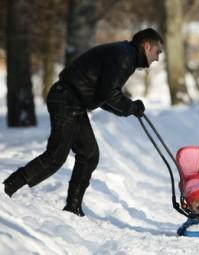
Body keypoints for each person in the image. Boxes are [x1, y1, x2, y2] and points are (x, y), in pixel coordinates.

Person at [3, 28, 164, 217]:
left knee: (89, 155)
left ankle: (73, 208)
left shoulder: (124, 54)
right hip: (66, 99)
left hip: (73, 102)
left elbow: (103, 95)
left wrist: (128, 110)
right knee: (56, 156)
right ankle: (7, 187)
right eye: (157, 52)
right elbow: (109, 94)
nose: (157, 58)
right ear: (146, 46)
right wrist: (130, 107)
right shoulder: (124, 57)